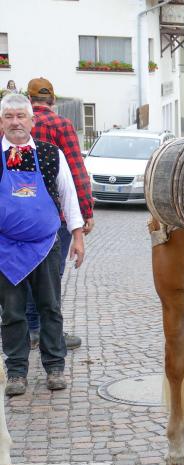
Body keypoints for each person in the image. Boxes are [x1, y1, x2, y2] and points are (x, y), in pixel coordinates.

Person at [0, 93, 85, 396]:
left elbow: (68, 194)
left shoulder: (50, 154)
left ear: (32, 121)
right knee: (12, 312)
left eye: (20, 116)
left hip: (45, 245)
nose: (15, 122)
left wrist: (77, 235)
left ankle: (54, 368)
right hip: (5, 250)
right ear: (1, 122)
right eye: (9, 117)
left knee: (50, 307)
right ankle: (17, 372)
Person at [25, 77, 93, 351]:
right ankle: (50, 333)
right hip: (56, 214)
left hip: (21, 215)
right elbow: (75, 169)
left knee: (25, 272)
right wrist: (86, 211)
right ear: (52, 101)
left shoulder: (12, 124)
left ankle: (31, 330)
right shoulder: (61, 125)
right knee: (51, 275)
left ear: (29, 101)